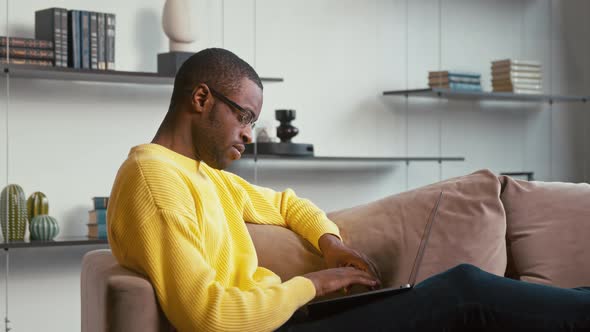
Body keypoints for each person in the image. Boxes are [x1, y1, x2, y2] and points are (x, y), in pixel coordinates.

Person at [107, 48, 590, 332]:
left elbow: (285, 204)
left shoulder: (200, 173)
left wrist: (330, 243)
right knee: (465, 292)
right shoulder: (155, 182)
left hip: (287, 318)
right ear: (200, 99)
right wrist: (314, 285)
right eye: (245, 117)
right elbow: (207, 317)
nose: (250, 134)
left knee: (458, 290)